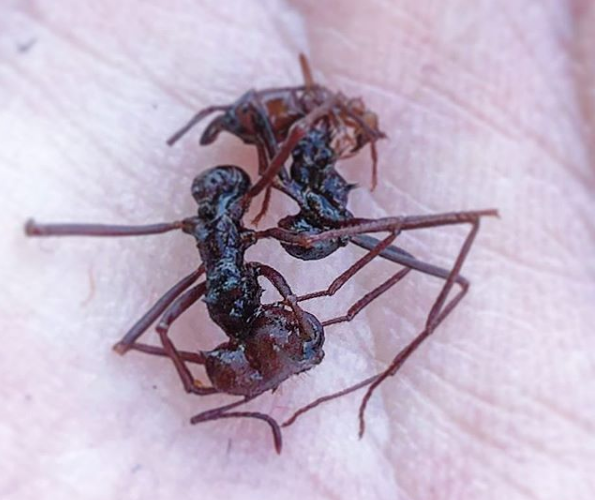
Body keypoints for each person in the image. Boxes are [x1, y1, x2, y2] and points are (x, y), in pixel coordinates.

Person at [2, 1, 593, 499]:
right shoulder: (255, 278)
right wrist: (322, 301)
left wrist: (330, 303)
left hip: (265, 215)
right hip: (252, 215)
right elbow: (164, 331)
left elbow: (172, 327)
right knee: (315, 244)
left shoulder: (264, 265)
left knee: (344, 247)